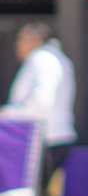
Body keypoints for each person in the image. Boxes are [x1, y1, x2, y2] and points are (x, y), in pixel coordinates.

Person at [8, 22, 76, 184]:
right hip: (55, 138)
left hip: (43, 140)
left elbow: (41, 102)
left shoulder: (42, 59)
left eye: (21, 40)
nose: (18, 45)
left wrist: (9, 115)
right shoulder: (57, 58)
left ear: (34, 40)